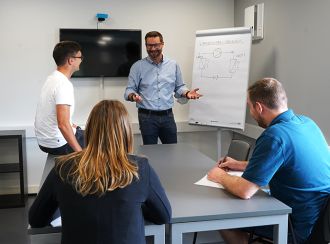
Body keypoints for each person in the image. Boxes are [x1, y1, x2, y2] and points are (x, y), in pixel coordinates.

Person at [29, 100, 171, 244]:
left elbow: (36, 220)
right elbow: (164, 216)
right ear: (126, 132)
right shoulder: (139, 168)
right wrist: (135, 208)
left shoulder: (62, 168)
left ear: (89, 130)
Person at [207, 78, 330, 244]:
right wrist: (239, 165)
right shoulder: (307, 123)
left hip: (296, 224)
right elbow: (287, 164)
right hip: (320, 220)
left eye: (250, 107)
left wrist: (219, 176)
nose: (250, 112)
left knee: (222, 219)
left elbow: (245, 191)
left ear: (259, 107)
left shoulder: (274, 136)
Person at [124, 31, 202, 145]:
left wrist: (186, 93)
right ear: (146, 46)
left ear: (162, 44)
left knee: (172, 151)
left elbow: (179, 87)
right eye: (149, 45)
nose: (153, 48)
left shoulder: (173, 65)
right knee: (150, 153)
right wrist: (133, 96)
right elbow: (129, 90)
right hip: (147, 117)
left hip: (168, 116)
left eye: (156, 45)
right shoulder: (137, 67)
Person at [34, 41, 84, 155]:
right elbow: (62, 124)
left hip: (44, 141)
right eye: (80, 57)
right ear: (71, 60)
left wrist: (73, 126)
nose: (81, 60)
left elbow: (53, 115)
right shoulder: (63, 84)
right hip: (59, 144)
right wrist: (80, 154)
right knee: (102, 141)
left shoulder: (51, 79)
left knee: (85, 132)